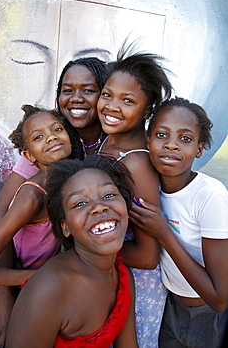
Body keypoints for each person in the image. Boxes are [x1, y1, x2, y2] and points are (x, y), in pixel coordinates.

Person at [0, 56, 106, 347]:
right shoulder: (37, 178)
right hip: (29, 279)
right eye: (67, 89)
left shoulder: (105, 143)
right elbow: (2, 218)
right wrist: (5, 294)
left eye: (88, 89)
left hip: (60, 281)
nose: (76, 97)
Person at [5, 155, 138, 348]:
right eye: (79, 204)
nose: (99, 207)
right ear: (65, 227)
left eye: (108, 195)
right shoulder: (50, 289)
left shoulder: (124, 277)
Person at [129, 97, 228, 348]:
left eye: (185, 139)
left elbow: (219, 299)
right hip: (169, 307)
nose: (171, 145)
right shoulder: (150, 188)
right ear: (148, 141)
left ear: (199, 148)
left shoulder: (210, 196)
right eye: (162, 135)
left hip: (207, 316)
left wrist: (164, 234)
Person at [0, 104, 83, 340]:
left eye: (57, 129)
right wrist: (34, 277)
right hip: (11, 286)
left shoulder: (68, 180)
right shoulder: (32, 196)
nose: (51, 138)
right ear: (28, 156)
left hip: (36, 288)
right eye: (39, 137)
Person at [96, 43, 172, 347]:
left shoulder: (137, 163)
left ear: (147, 109)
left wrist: (86, 248)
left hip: (138, 291)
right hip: (112, 277)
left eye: (128, 100)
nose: (112, 106)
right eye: (107, 95)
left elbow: (147, 255)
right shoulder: (109, 141)